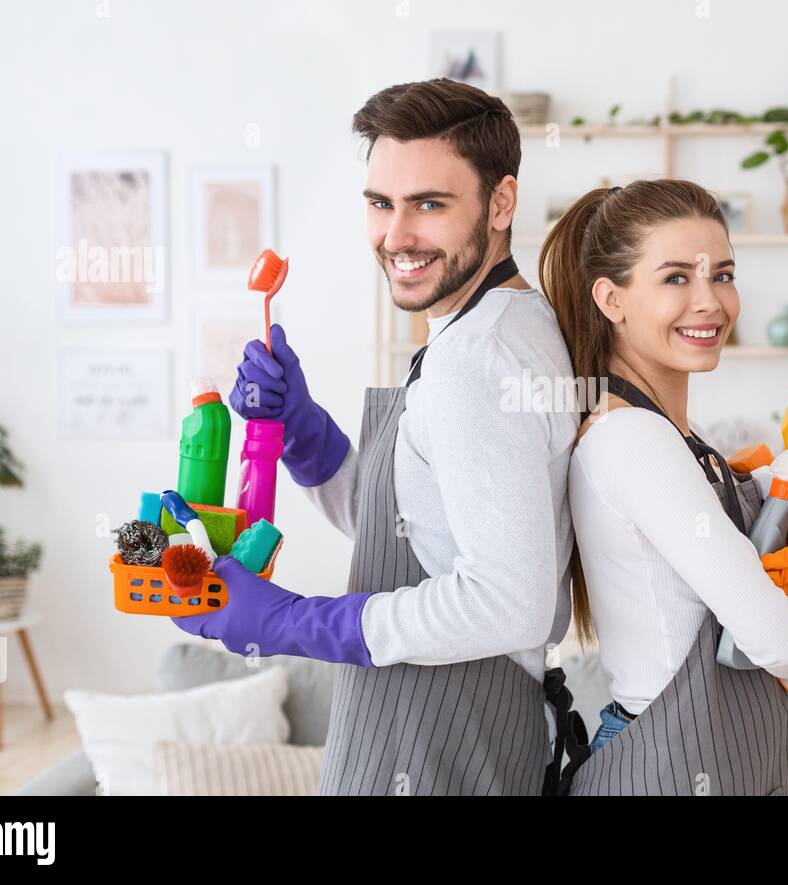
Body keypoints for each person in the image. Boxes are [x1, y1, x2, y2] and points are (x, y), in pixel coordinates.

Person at [173, 79, 579, 796]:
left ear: (502, 203)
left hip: (444, 734)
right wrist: (303, 430)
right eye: (380, 204)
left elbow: (507, 601)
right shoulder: (493, 327)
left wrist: (298, 622)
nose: (396, 237)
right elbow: (413, 526)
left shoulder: (480, 359)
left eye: (429, 203)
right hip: (442, 724)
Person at [539, 179, 788, 795]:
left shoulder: (677, 438)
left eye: (722, 274)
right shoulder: (633, 441)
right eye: (676, 278)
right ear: (611, 298)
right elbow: (778, 640)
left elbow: (743, 608)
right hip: (667, 769)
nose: (711, 301)